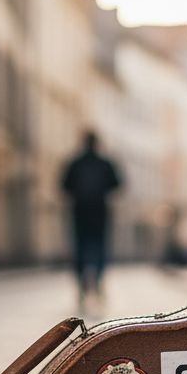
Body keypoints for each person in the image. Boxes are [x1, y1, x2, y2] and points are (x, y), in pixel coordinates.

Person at [60, 130, 123, 305]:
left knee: (80, 248)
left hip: (80, 211)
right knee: (100, 248)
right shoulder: (105, 163)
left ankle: (82, 284)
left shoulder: (75, 163)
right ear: (97, 144)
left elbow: (64, 185)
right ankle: (98, 281)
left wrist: (79, 193)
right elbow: (117, 184)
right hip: (99, 212)